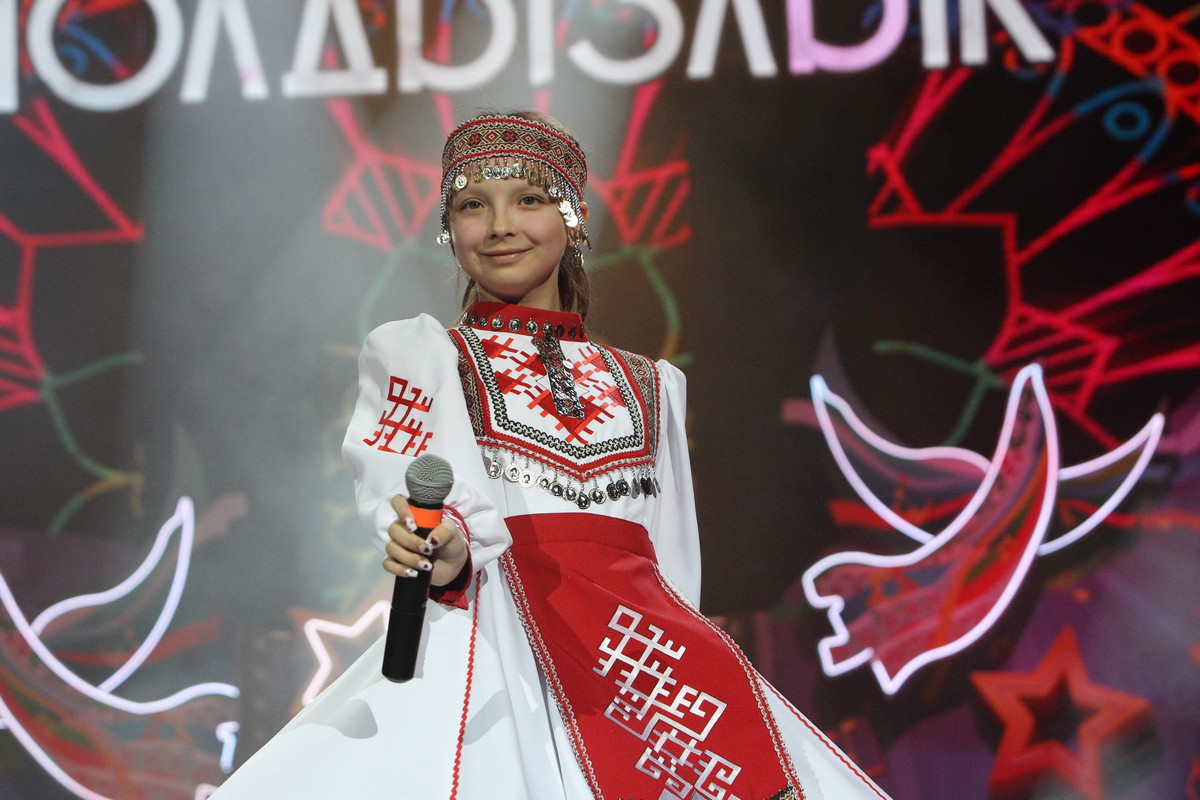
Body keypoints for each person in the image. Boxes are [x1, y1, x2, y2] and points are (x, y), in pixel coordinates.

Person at [212, 111, 892, 799]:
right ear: (450, 230)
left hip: (650, 672)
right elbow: (409, 477)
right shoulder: (423, 355)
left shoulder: (653, 384)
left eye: (528, 200)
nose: (499, 225)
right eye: (472, 206)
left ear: (574, 217)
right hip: (499, 643)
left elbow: (672, 567)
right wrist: (442, 544)